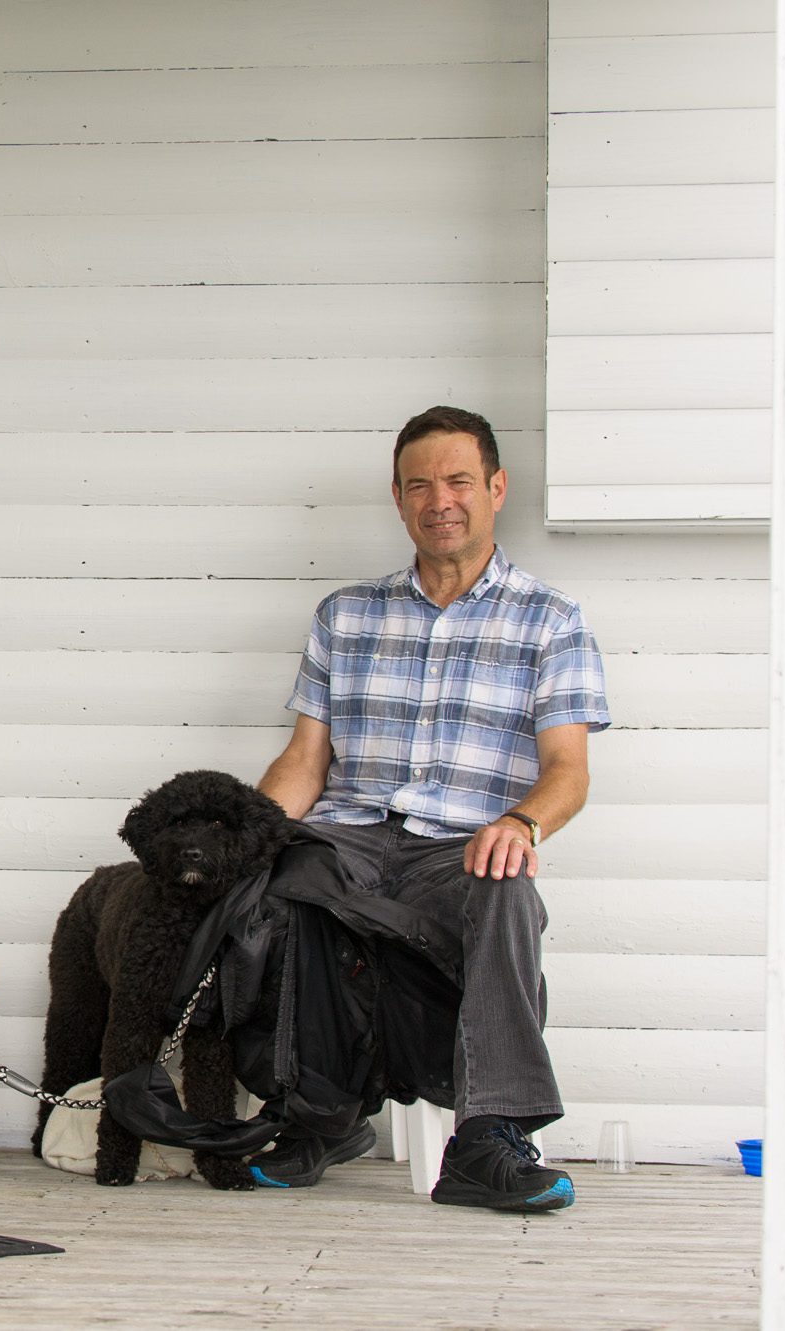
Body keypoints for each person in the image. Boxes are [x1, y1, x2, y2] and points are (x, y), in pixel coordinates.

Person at [251, 404, 610, 1212]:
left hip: (462, 845)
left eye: (458, 481)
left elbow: (568, 770)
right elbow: (305, 761)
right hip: (351, 836)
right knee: (283, 876)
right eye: (419, 485)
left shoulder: (551, 619)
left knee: (508, 885)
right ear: (398, 497)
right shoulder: (346, 614)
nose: (439, 500)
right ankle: (321, 1116)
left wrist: (520, 823)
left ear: (496, 487)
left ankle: (488, 1137)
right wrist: (250, 838)